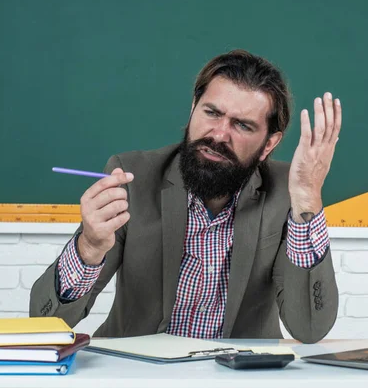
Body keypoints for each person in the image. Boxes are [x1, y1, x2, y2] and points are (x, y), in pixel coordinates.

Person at [30, 49, 341, 343]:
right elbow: (46, 321)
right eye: (212, 113)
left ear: (269, 144)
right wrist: (89, 246)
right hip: (137, 374)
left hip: (237, 379)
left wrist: (307, 200)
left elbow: (310, 328)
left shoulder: (288, 192)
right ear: (194, 109)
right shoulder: (130, 178)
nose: (219, 134)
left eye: (243, 125)